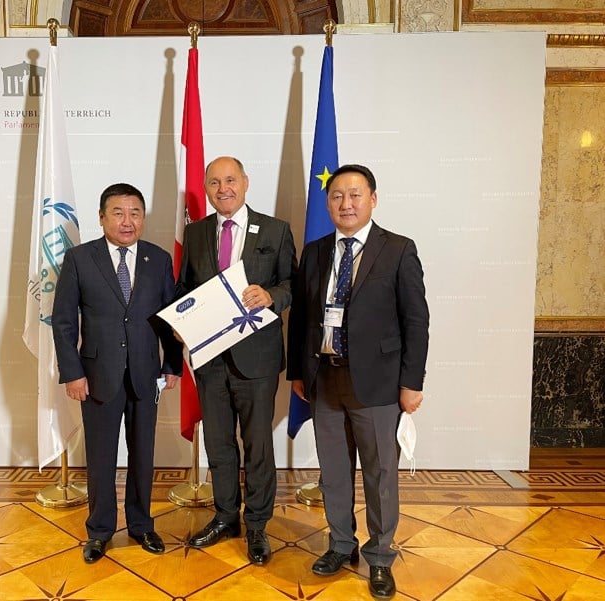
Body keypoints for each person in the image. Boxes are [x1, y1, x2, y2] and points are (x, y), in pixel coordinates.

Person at [287, 164, 429, 599]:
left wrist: (412, 382)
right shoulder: (315, 251)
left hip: (380, 385)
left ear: (373, 199)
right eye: (336, 196)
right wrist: (297, 372)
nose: (345, 204)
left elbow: (416, 321)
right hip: (324, 379)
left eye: (354, 195)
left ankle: (380, 555)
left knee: (380, 474)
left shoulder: (398, 249)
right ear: (328, 203)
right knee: (333, 471)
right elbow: (302, 318)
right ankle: (340, 544)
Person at [52, 182, 182, 564]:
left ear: (143, 218)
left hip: (146, 375)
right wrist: (72, 373)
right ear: (102, 217)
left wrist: (172, 364)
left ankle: (142, 525)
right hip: (96, 377)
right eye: (119, 213)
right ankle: (100, 531)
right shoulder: (80, 259)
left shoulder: (158, 259)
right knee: (101, 458)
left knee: (143, 456)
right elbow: (63, 322)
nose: (128, 221)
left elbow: (171, 318)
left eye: (135, 213)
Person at [176, 156, 297, 565]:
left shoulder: (276, 229)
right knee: (218, 443)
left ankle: (258, 524)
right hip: (209, 359)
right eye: (214, 182)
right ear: (206, 188)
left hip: (257, 360)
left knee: (258, 444)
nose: (223, 188)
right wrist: (180, 323)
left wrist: (272, 296)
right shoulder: (195, 233)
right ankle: (226, 516)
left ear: (245, 182)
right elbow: (184, 288)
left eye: (230, 180)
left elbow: (294, 283)